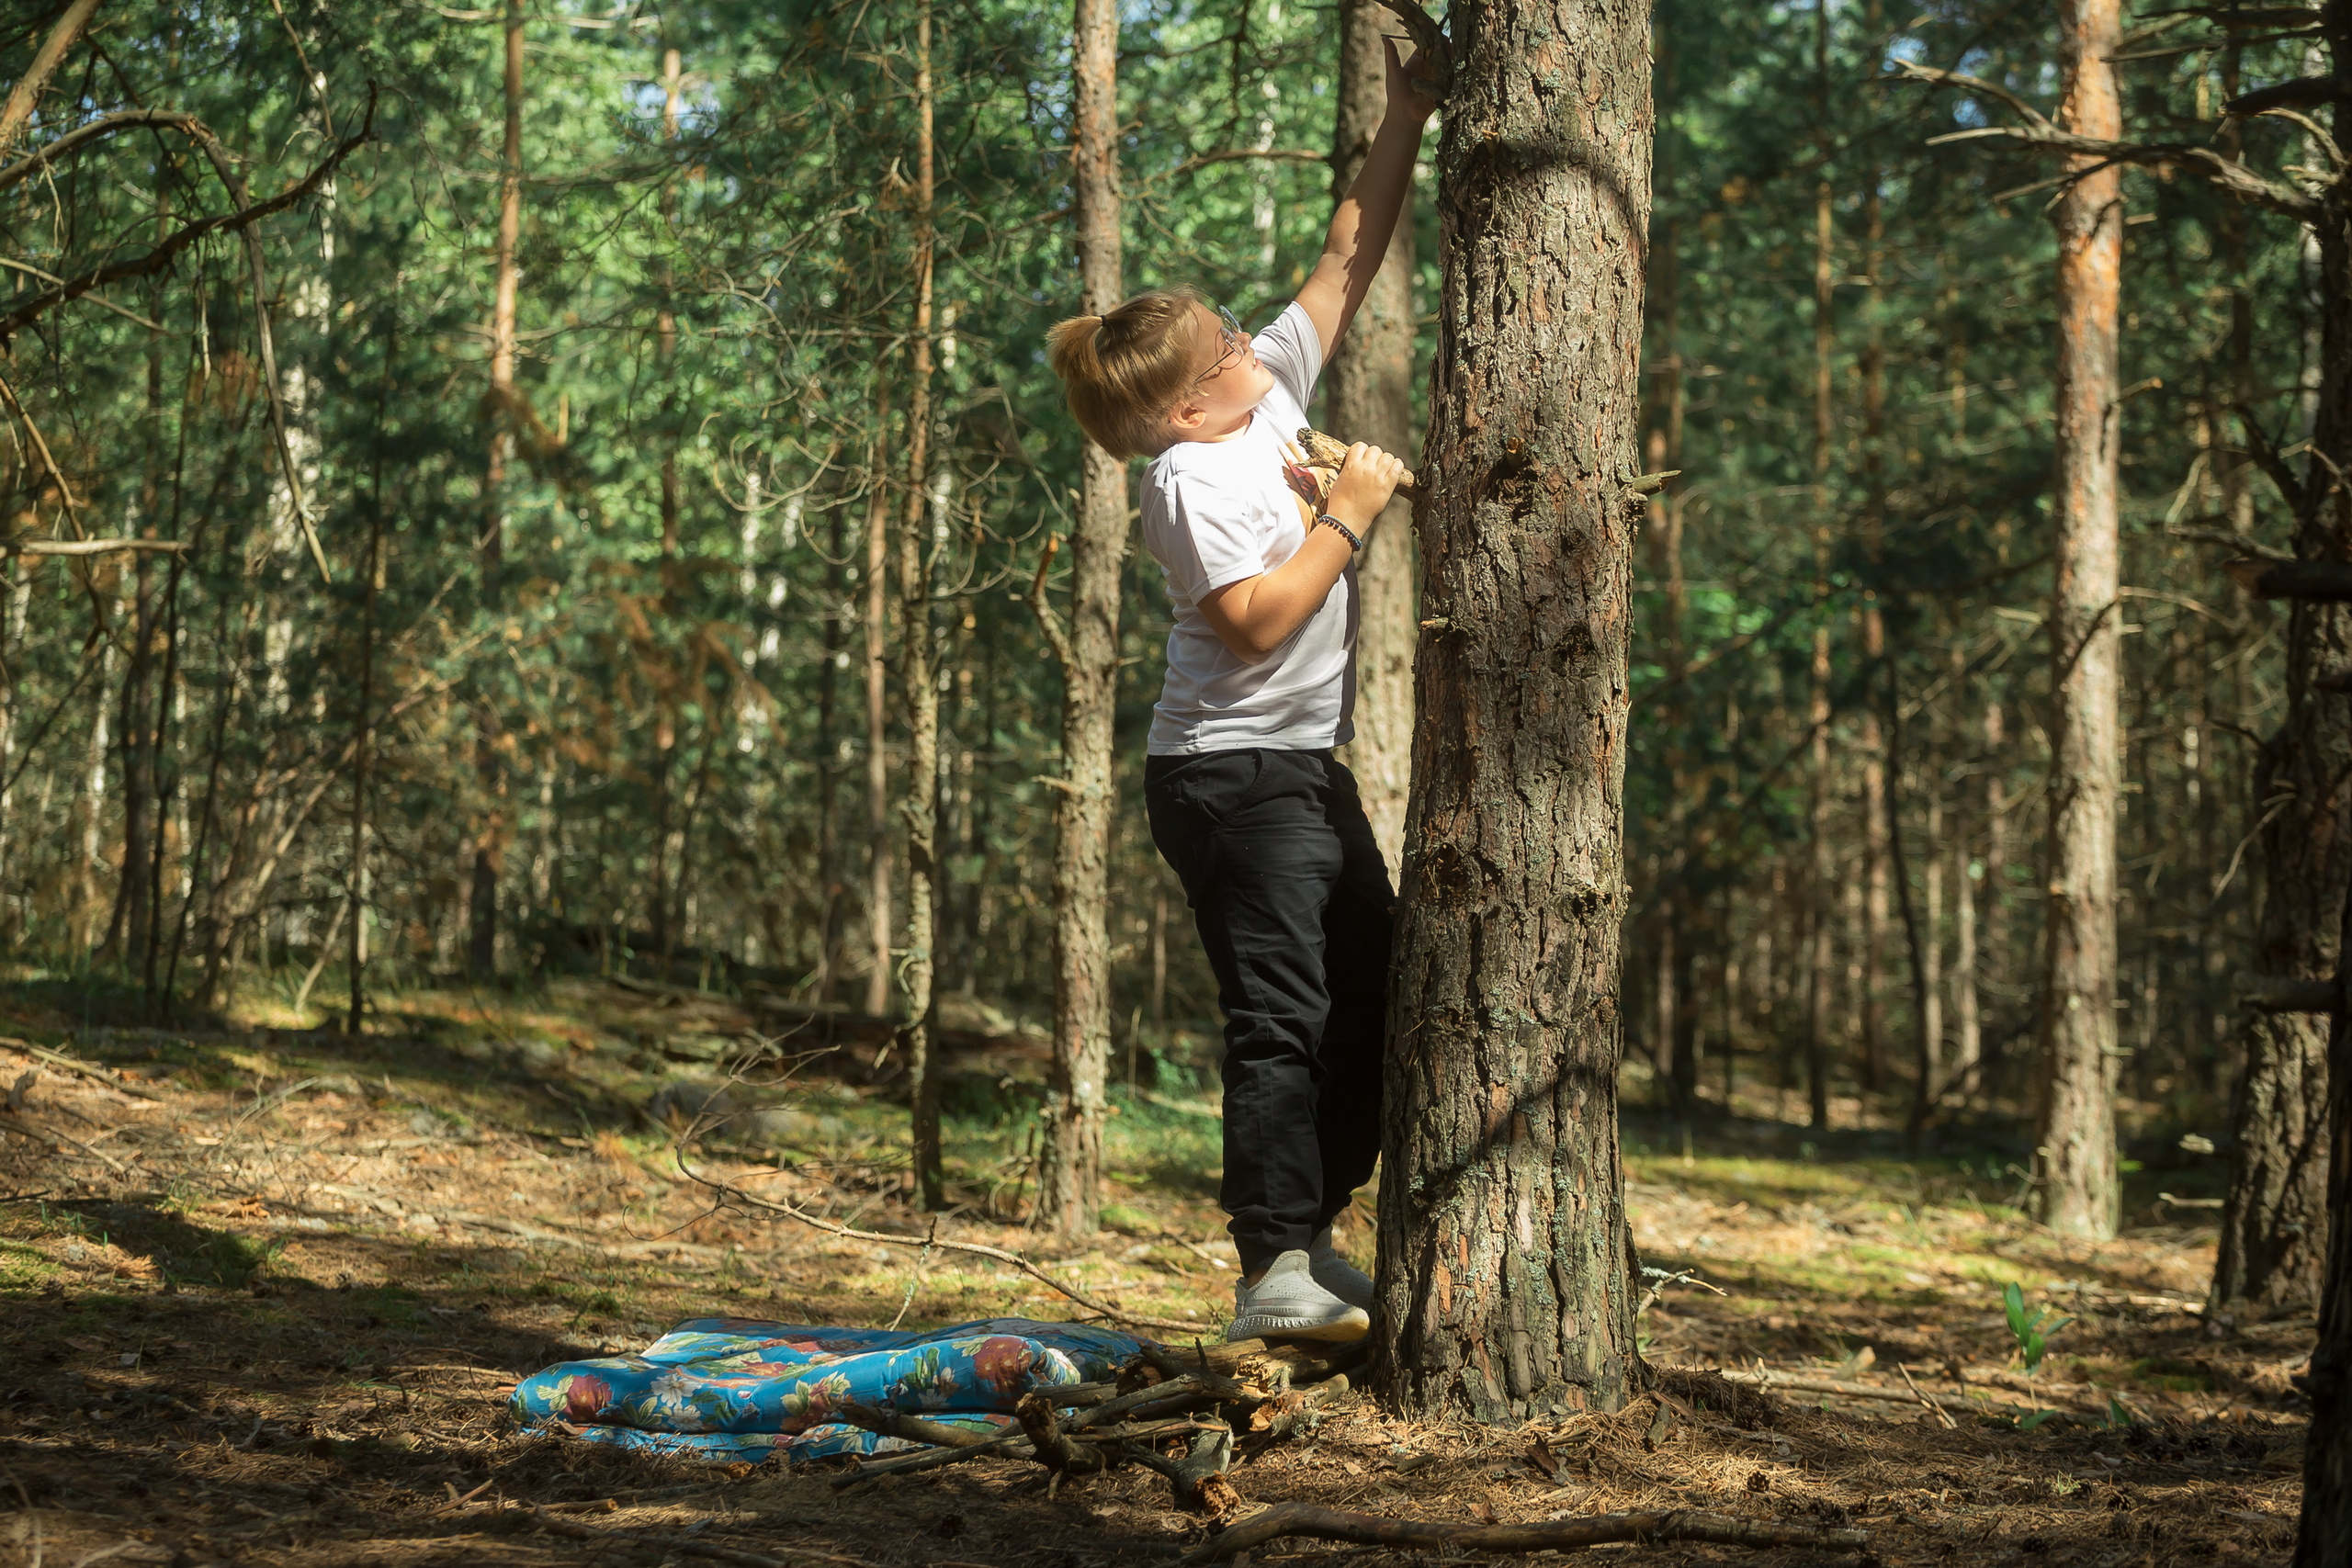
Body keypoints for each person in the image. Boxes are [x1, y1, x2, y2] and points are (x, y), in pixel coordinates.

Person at [1044, 38, 1437, 1342]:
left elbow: (1345, 259)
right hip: (1223, 777)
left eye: (1229, 334)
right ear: (1173, 413)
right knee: (1281, 1010)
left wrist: (1407, 114)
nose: (1247, 353)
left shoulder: (1259, 402)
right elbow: (1259, 624)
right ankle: (1272, 1262)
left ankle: (1310, 1241)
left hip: (1301, 775)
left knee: (1377, 991)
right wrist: (1355, 515)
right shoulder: (1184, 483)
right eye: (1221, 358)